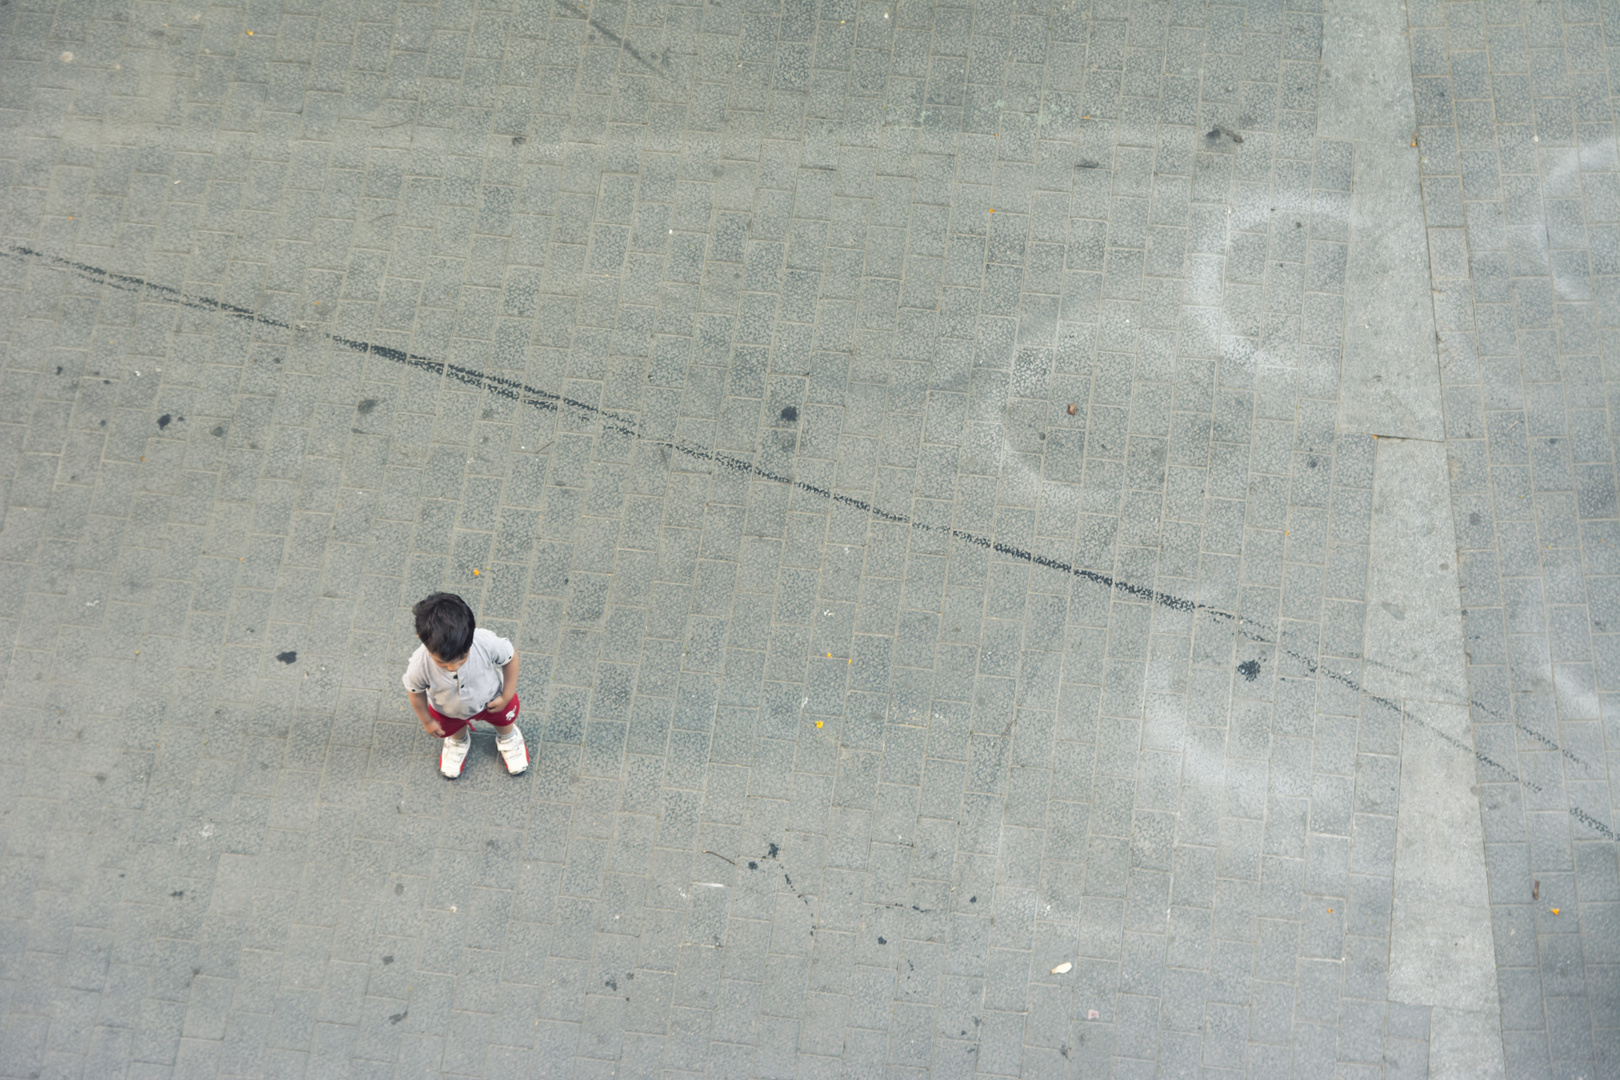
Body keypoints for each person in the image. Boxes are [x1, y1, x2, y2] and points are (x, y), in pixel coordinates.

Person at [402, 592, 528, 778]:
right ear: (420, 637)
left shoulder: (485, 642)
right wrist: (427, 721)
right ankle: (458, 741)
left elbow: (510, 658)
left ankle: (508, 737)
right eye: (442, 663)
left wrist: (507, 695)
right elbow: (415, 692)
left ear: (472, 629)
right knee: (452, 727)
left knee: (504, 720)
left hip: (493, 699)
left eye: (462, 658)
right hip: (447, 709)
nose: (453, 667)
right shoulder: (418, 666)